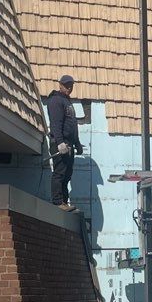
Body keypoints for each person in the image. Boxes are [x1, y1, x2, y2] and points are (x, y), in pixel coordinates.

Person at [46, 74, 83, 209]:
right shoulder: (56, 101)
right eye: (66, 85)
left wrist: (77, 143)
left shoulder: (67, 102)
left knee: (67, 173)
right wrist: (60, 142)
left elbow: (72, 125)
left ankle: (64, 202)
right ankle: (57, 201)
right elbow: (56, 123)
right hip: (60, 143)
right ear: (60, 85)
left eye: (71, 85)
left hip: (69, 143)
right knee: (59, 172)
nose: (69, 88)